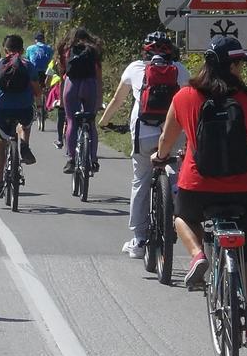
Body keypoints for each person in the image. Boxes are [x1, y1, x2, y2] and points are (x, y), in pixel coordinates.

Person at [153, 35, 247, 346]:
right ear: (232, 66)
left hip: (199, 185)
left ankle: (197, 256)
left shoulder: (185, 97)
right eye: (239, 64)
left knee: (181, 216)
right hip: (246, 189)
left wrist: (161, 156)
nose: (241, 70)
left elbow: (167, 140)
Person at [98, 32, 190, 258]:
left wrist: (104, 121)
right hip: (173, 132)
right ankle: (178, 216)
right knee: (176, 174)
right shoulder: (180, 70)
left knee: (140, 181)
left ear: (145, 51)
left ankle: (139, 241)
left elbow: (118, 99)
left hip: (144, 135)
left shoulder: (134, 68)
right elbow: (190, 99)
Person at [0, 34, 40, 196]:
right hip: (24, 108)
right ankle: (24, 145)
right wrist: (38, 104)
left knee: (0, 142)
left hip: (1, 108)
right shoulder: (28, 65)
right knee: (26, 124)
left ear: (5, 50)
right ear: (22, 50)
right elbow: (37, 90)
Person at [58, 27, 104, 173]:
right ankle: (93, 159)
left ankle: (71, 160)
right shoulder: (93, 51)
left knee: (71, 120)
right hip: (90, 85)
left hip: (72, 85)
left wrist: (60, 99)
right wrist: (99, 98)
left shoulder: (67, 51)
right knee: (91, 122)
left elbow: (63, 75)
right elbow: (98, 76)